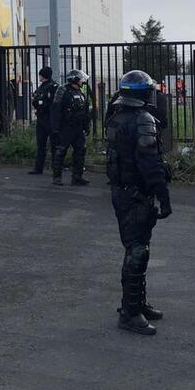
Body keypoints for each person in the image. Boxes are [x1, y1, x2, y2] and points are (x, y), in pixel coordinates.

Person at [105, 70, 173, 335]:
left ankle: (136, 303)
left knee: (137, 248)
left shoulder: (116, 115)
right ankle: (131, 312)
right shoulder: (143, 119)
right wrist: (164, 196)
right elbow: (150, 163)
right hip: (136, 193)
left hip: (122, 191)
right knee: (137, 250)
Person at [51, 69, 91, 186]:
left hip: (78, 128)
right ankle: (57, 177)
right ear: (74, 79)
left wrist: (86, 126)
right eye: (80, 79)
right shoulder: (63, 90)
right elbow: (56, 109)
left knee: (80, 151)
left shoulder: (80, 92)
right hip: (66, 127)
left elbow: (85, 111)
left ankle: (77, 177)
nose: (82, 81)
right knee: (60, 151)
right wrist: (55, 128)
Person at [28, 66, 59, 175]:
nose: (39, 77)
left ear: (43, 75)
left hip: (50, 119)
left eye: (40, 75)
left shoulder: (53, 87)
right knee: (41, 144)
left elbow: (54, 103)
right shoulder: (42, 87)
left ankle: (56, 168)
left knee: (54, 145)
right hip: (42, 119)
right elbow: (35, 100)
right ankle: (38, 168)